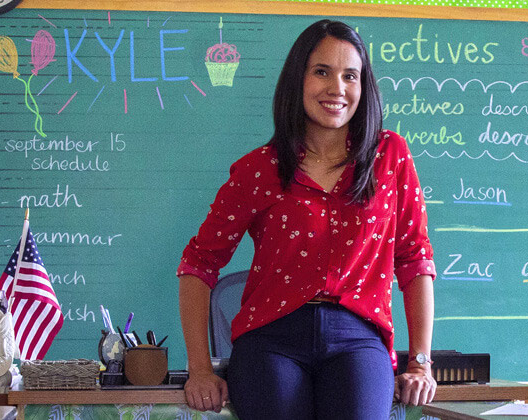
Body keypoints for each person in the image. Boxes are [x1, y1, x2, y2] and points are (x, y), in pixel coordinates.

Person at [174, 19, 438, 419]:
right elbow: (198, 264)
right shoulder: (259, 169)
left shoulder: (390, 156)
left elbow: (414, 258)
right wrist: (199, 370)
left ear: (364, 86)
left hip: (358, 339)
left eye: (350, 75)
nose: (337, 88)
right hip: (271, 341)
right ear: (297, 80)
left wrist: (421, 362)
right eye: (321, 72)